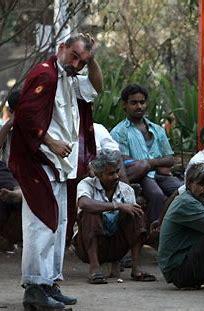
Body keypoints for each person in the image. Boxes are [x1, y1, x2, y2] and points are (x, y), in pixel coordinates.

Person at [9, 33, 102, 310]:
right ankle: (34, 290)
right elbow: (24, 115)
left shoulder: (70, 77)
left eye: (82, 61)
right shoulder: (46, 74)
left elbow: (96, 88)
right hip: (39, 160)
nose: (77, 64)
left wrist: (91, 60)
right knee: (41, 223)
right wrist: (50, 141)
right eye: (74, 56)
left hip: (62, 164)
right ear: (61, 48)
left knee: (59, 224)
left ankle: (49, 283)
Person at [74, 149, 156, 284]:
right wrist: (117, 206)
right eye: (111, 173)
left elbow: (133, 220)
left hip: (116, 246)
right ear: (99, 174)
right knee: (90, 213)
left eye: (117, 171)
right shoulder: (86, 184)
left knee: (136, 213)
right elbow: (83, 203)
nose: (117, 176)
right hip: (87, 246)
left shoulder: (126, 189)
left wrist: (125, 209)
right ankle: (94, 268)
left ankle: (136, 268)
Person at [110, 84, 182, 225]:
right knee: (156, 195)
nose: (139, 106)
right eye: (134, 103)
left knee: (183, 190)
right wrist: (156, 163)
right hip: (140, 177)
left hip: (158, 174)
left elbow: (169, 159)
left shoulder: (157, 129)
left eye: (142, 102)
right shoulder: (119, 132)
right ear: (124, 105)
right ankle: (153, 233)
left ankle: (175, 229)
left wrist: (148, 163)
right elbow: (123, 161)